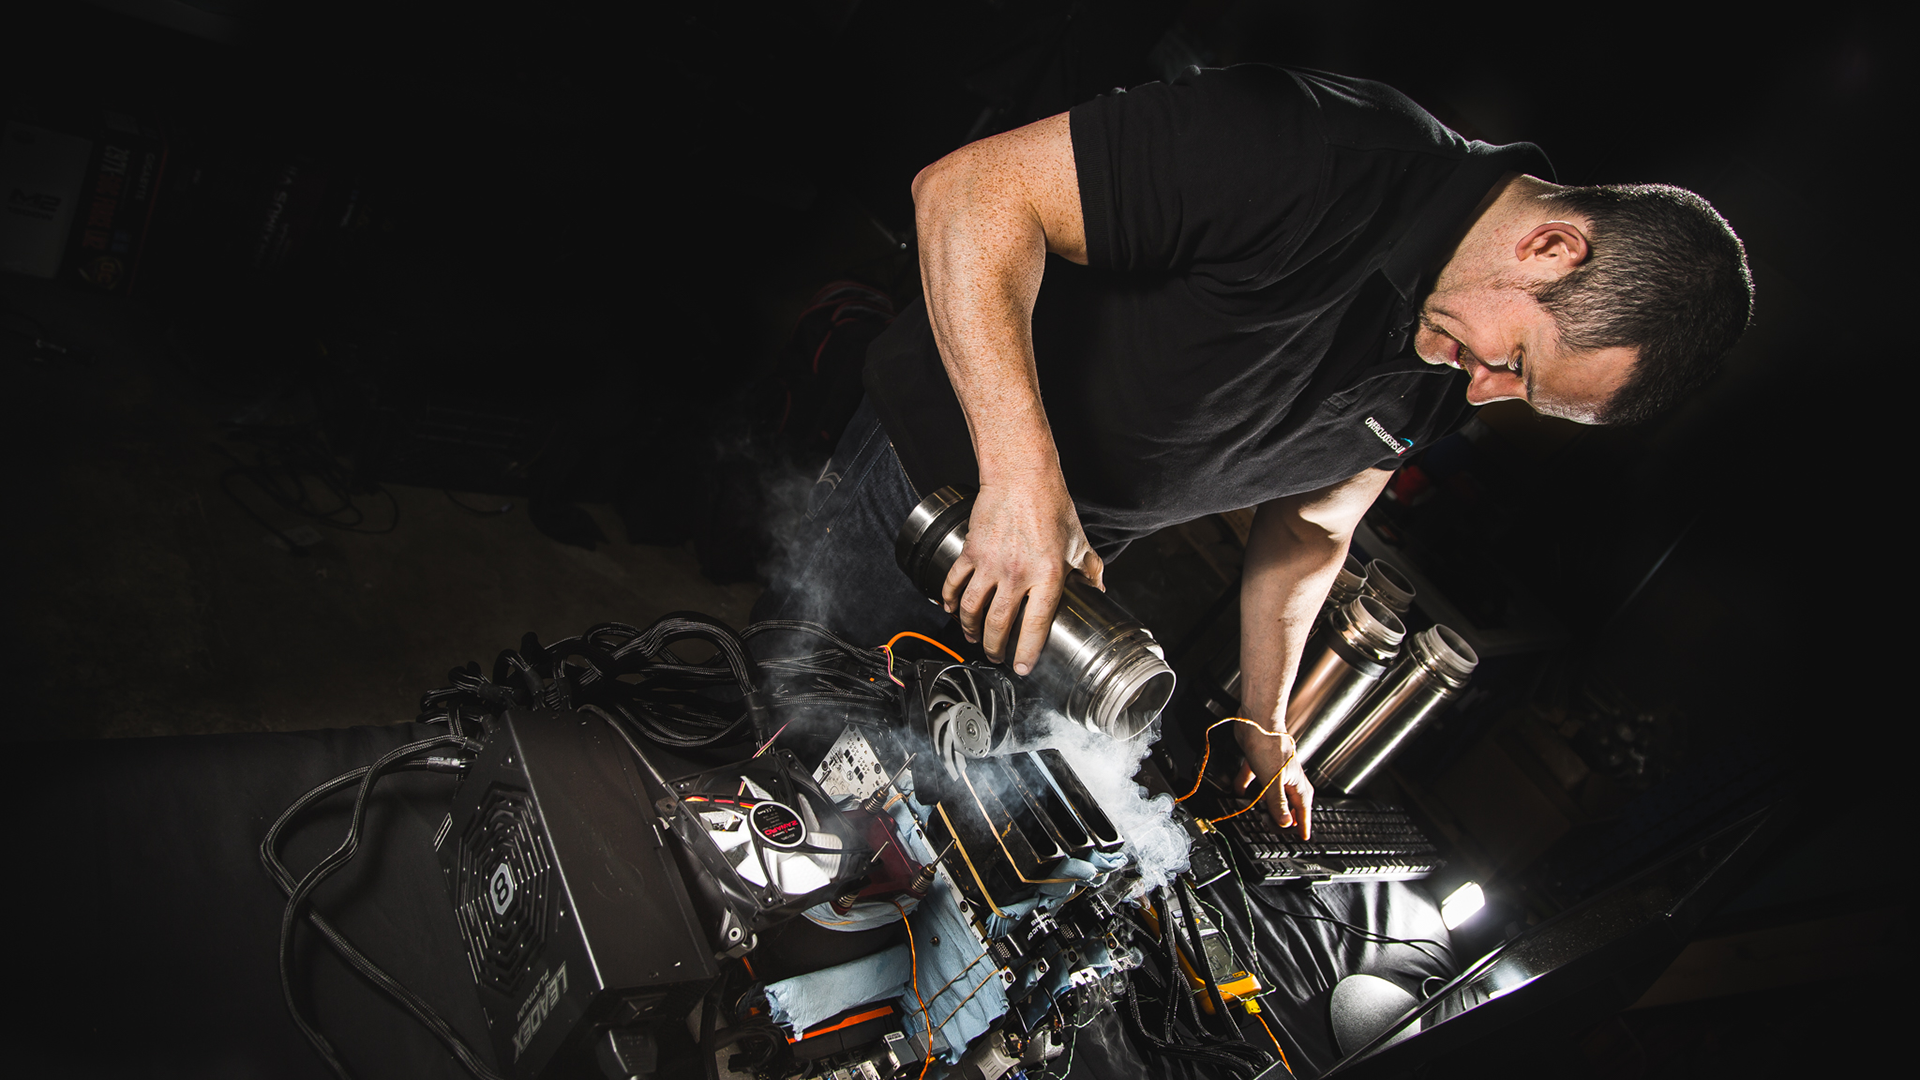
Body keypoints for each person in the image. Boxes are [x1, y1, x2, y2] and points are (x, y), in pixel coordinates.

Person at [752, 65, 1751, 837]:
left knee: (892, 801)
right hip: (926, 486)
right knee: (767, 748)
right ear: (1550, 249)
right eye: (1518, 363)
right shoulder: (1313, 150)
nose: (1486, 392)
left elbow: (1317, 527)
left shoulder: (1450, 357)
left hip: (1061, 560)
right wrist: (1018, 478)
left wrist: (1269, 729)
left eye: (1520, 394)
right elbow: (969, 193)